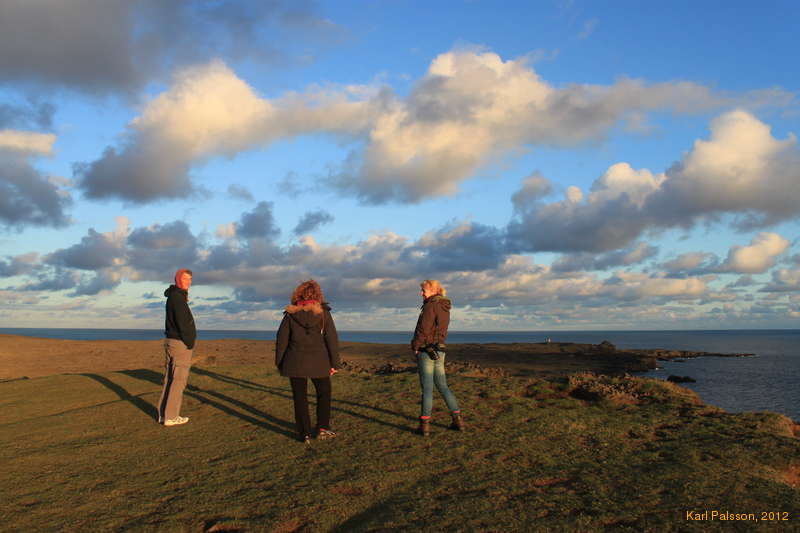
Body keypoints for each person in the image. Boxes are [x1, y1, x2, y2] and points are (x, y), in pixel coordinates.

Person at [276, 280, 341, 444]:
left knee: (300, 397)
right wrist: (335, 364)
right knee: (324, 394)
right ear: (318, 295)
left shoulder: (290, 314)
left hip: (294, 362)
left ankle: (304, 433)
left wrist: (280, 362)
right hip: (319, 363)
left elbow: (282, 340)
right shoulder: (324, 314)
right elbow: (331, 339)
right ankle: (322, 428)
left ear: (298, 294)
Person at [411, 279, 464, 436]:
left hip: (426, 351)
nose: (421, 293)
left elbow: (423, 329)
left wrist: (415, 346)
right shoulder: (444, 306)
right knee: (443, 386)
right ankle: (458, 421)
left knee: (427, 389)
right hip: (440, 350)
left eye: (424, 291)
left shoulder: (430, 305)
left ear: (433, 290)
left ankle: (424, 426)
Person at [158, 268, 196, 426]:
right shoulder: (177, 298)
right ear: (179, 279)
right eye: (186, 278)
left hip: (172, 341)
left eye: (190, 279)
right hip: (179, 344)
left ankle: (163, 414)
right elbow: (183, 324)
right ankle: (171, 416)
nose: (189, 282)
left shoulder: (175, 296)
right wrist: (189, 341)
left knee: (170, 379)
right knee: (178, 380)